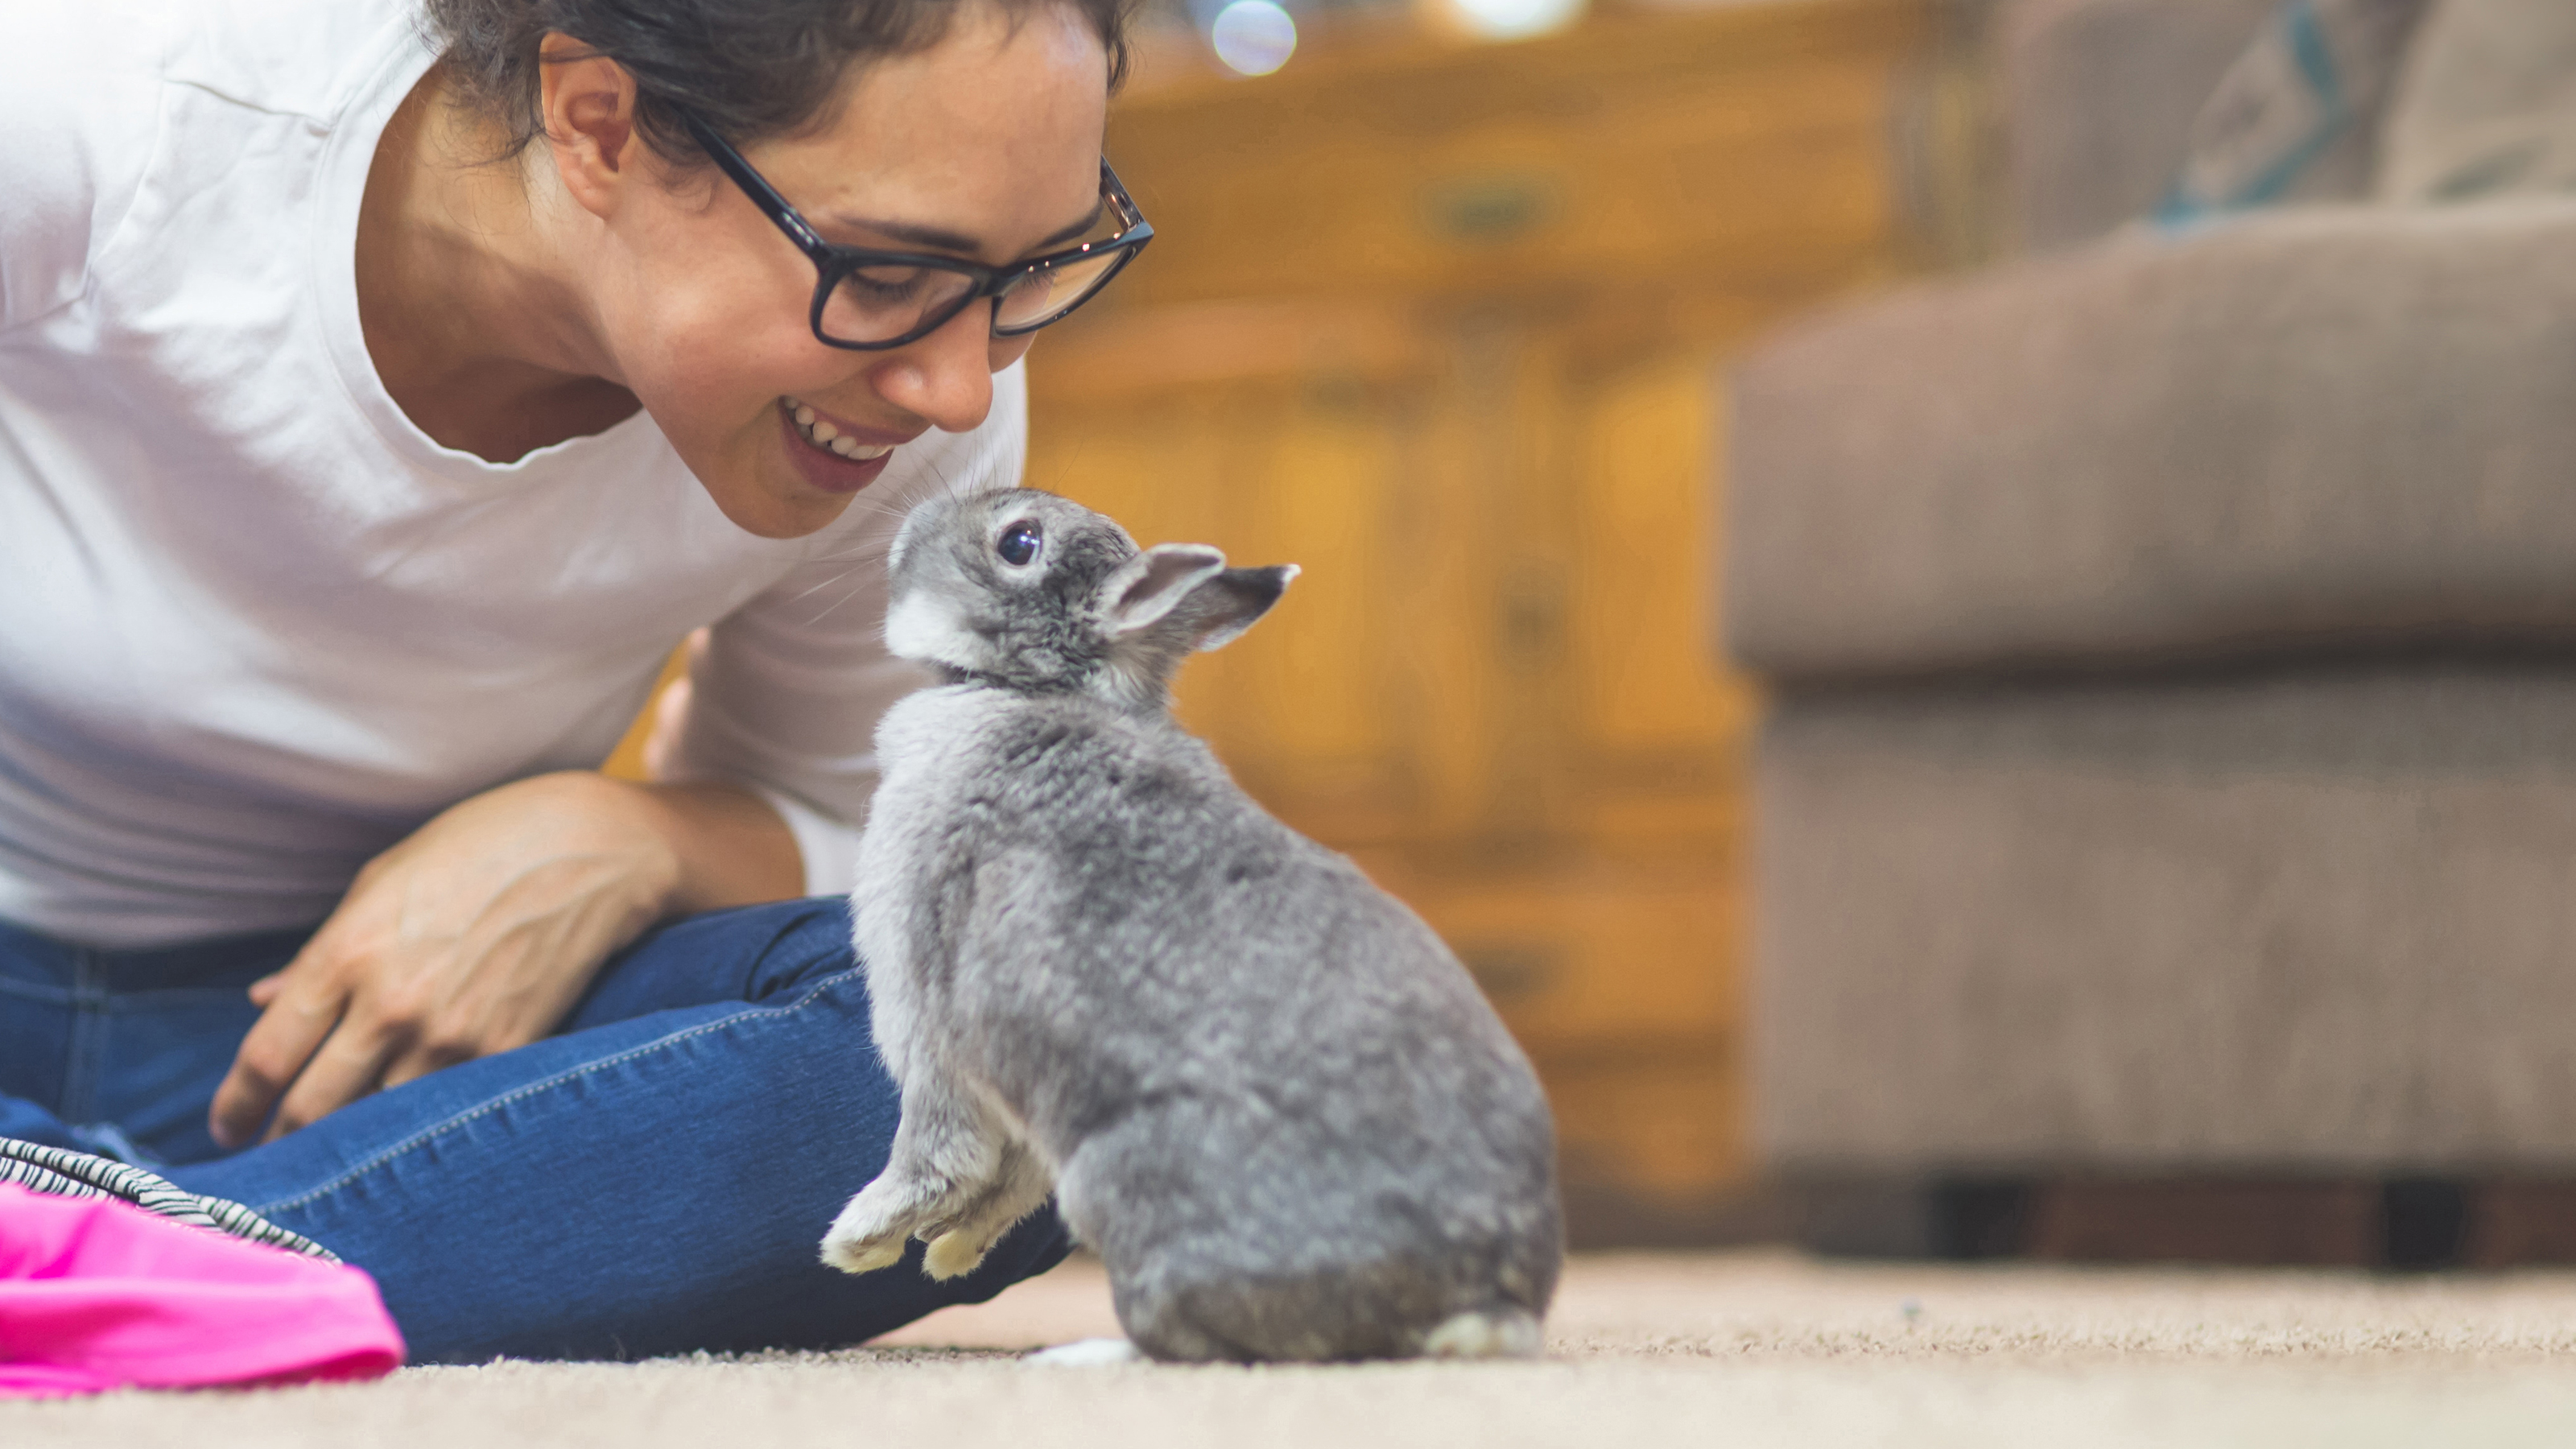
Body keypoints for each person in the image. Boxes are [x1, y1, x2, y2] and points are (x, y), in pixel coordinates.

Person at [0, 0, 1150, 1361]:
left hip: (375, 1069)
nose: (961, 390)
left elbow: (865, 838)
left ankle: (92, 1263)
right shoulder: (97, 115)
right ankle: (204, 1274)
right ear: (597, 124)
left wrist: (626, 837)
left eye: (1038, 269)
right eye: (891, 269)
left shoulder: (900, 410)